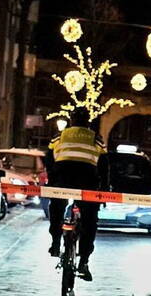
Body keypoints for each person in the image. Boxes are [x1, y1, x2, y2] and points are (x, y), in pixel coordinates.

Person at [44, 108, 108, 282]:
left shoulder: (60, 136)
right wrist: (104, 190)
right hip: (87, 183)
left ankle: (56, 243)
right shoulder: (96, 139)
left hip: (62, 181)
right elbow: (104, 166)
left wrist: (52, 178)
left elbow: (49, 158)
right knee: (89, 221)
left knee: (56, 208)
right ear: (88, 122)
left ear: (72, 120)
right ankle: (84, 262)